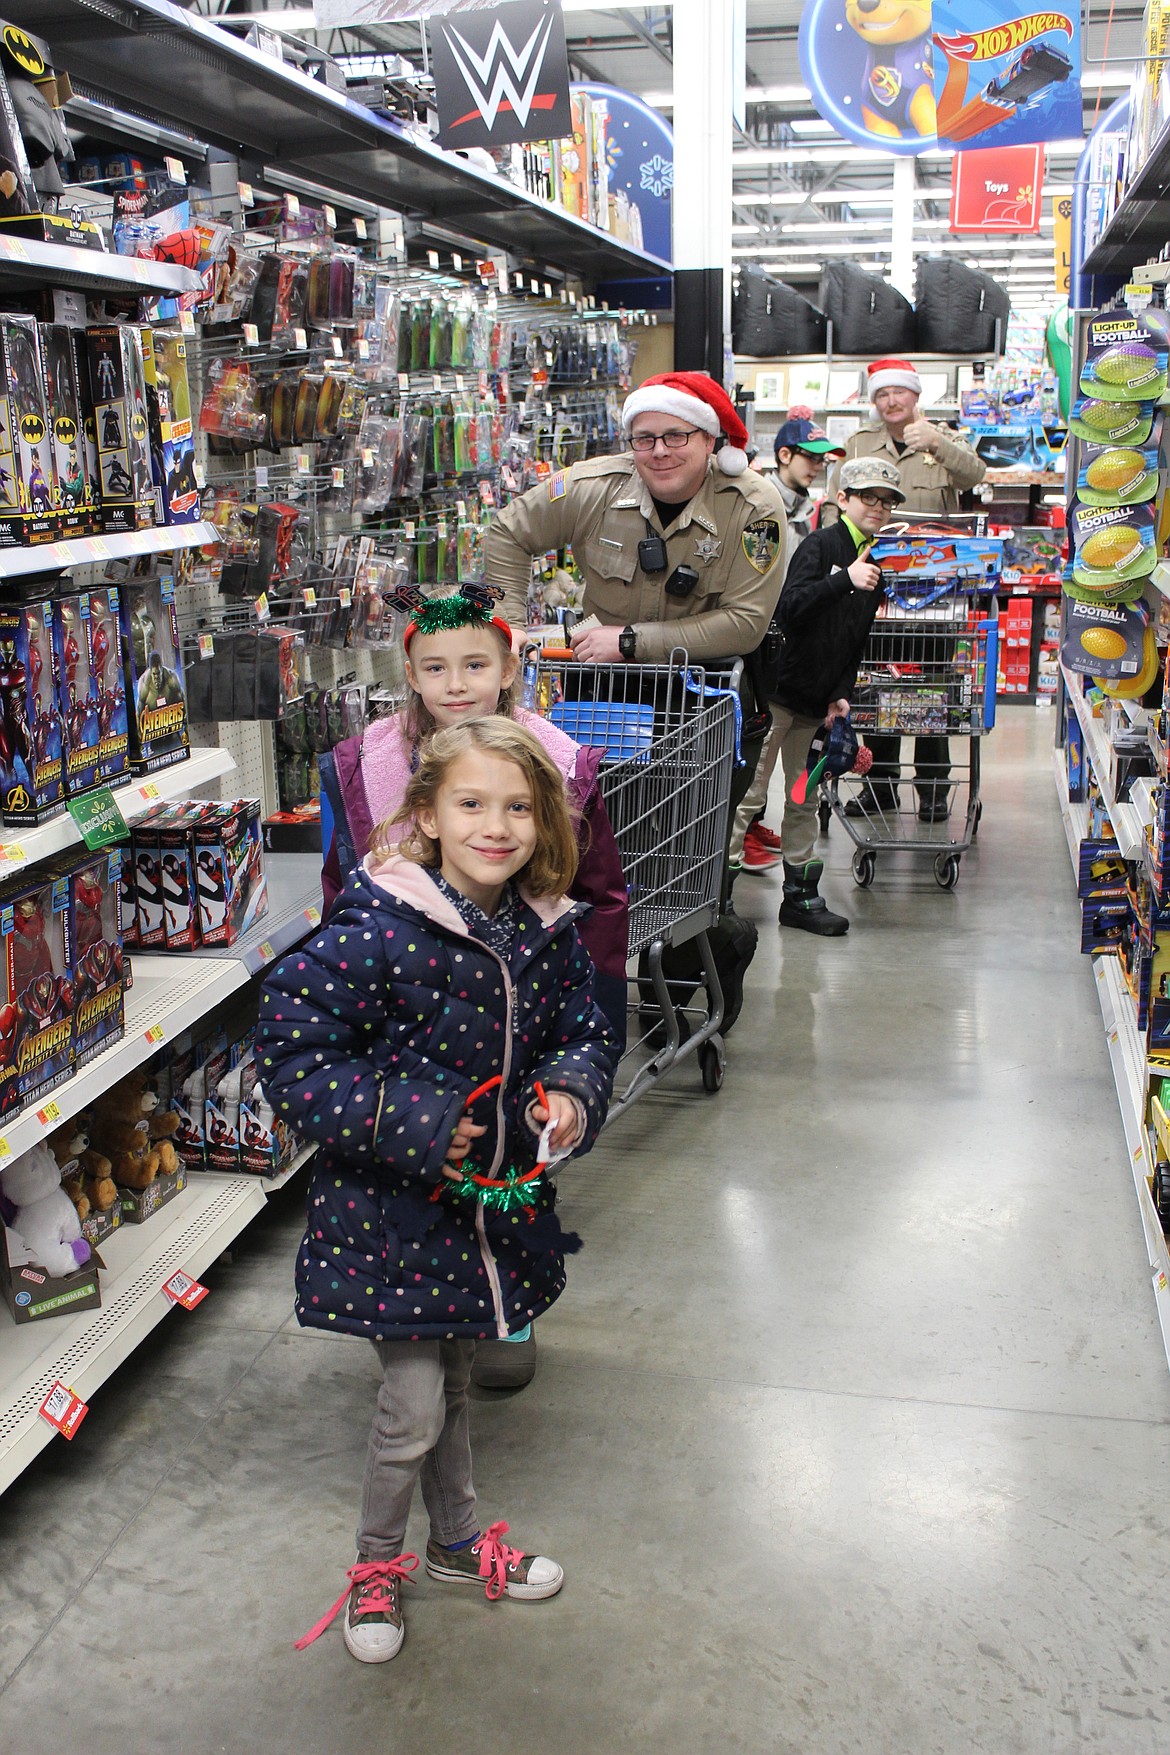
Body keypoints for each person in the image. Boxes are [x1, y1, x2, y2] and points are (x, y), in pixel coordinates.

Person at [258, 718, 618, 1667]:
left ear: (544, 823)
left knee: (456, 1386)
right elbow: (293, 1052)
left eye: (518, 807)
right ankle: (377, 1566)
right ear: (425, 814)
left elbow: (584, 1026)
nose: (496, 826)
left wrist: (573, 1093)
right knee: (415, 1404)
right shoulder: (378, 927)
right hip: (392, 1214)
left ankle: (456, 1545)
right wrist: (411, 1121)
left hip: (484, 1212)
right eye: (470, 804)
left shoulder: (543, 930)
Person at [319, 587, 628, 1394]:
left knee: (508, 1147)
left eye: (475, 664)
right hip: (407, 1000)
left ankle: (507, 1303)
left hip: (521, 993)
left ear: (508, 667)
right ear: (410, 673)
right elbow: (334, 887)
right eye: (435, 667)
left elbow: (599, 894)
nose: (456, 683)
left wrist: (588, 1020)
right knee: (419, 1152)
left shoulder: (558, 761)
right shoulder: (365, 766)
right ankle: (416, 1303)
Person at [486, 370, 788, 1029]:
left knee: (690, 847)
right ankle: (619, 972)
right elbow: (505, 533)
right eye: (644, 437)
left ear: (710, 441)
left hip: (710, 693)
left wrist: (630, 640)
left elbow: (745, 621)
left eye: (676, 435)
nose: (659, 451)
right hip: (609, 693)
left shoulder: (756, 505)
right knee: (604, 836)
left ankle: (704, 957)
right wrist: (503, 640)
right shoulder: (595, 488)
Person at [825, 358, 987, 821]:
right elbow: (840, 507)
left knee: (933, 690)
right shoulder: (859, 444)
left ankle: (933, 790)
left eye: (899, 392)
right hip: (876, 591)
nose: (891, 401)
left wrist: (937, 442)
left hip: (937, 595)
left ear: (916, 396)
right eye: (881, 394)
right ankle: (880, 787)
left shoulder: (944, 438)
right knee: (877, 692)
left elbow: (975, 476)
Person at [767, 455, 906, 936]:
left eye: (887, 501)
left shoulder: (874, 570)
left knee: (802, 798)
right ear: (842, 498)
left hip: (814, 707)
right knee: (746, 800)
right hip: (775, 698)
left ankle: (799, 897)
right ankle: (719, 898)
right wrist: (842, 579)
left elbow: (856, 642)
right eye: (869, 497)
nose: (879, 507)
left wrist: (840, 694)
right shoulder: (820, 546)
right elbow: (790, 609)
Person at [731, 409, 846, 875]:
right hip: (760, 641)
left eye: (823, 459)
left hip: (794, 650)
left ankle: (762, 835)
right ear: (784, 455)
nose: (817, 465)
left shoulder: (809, 508)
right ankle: (733, 856)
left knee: (797, 777)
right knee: (754, 762)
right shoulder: (761, 503)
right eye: (809, 457)